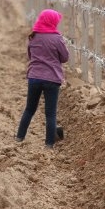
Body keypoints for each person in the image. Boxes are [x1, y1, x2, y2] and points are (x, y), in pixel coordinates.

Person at [15, 9, 70, 149]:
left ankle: (19, 137)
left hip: (34, 77)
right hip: (52, 79)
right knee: (50, 113)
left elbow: (30, 55)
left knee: (29, 109)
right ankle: (49, 144)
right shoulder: (57, 39)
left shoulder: (33, 37)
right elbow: (65, 58)